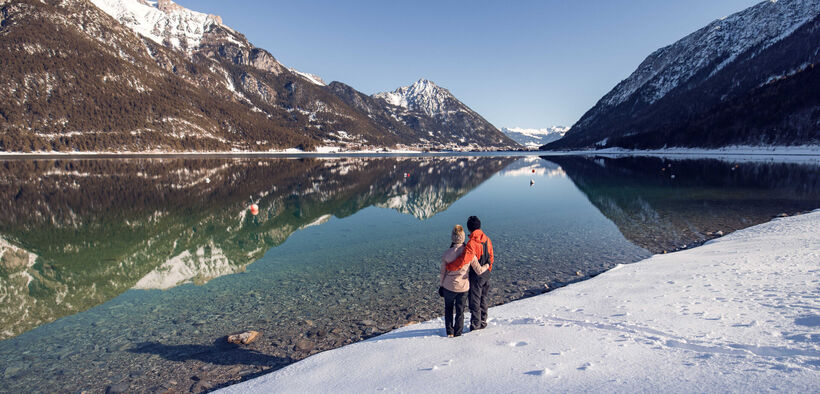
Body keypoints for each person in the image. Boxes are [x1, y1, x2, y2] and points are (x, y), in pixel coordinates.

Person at [445, 216, 494, 331]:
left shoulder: (472, 243)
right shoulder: (487, 239)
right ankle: (483, 320)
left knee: (474, 301)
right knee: (483, 298)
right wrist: (488, 269)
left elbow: (463, 260)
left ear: (469, 228)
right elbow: (491, 256)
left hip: (476, 276)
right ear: (479, 226)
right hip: (486, 274)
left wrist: (449, 266)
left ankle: (476, 324)